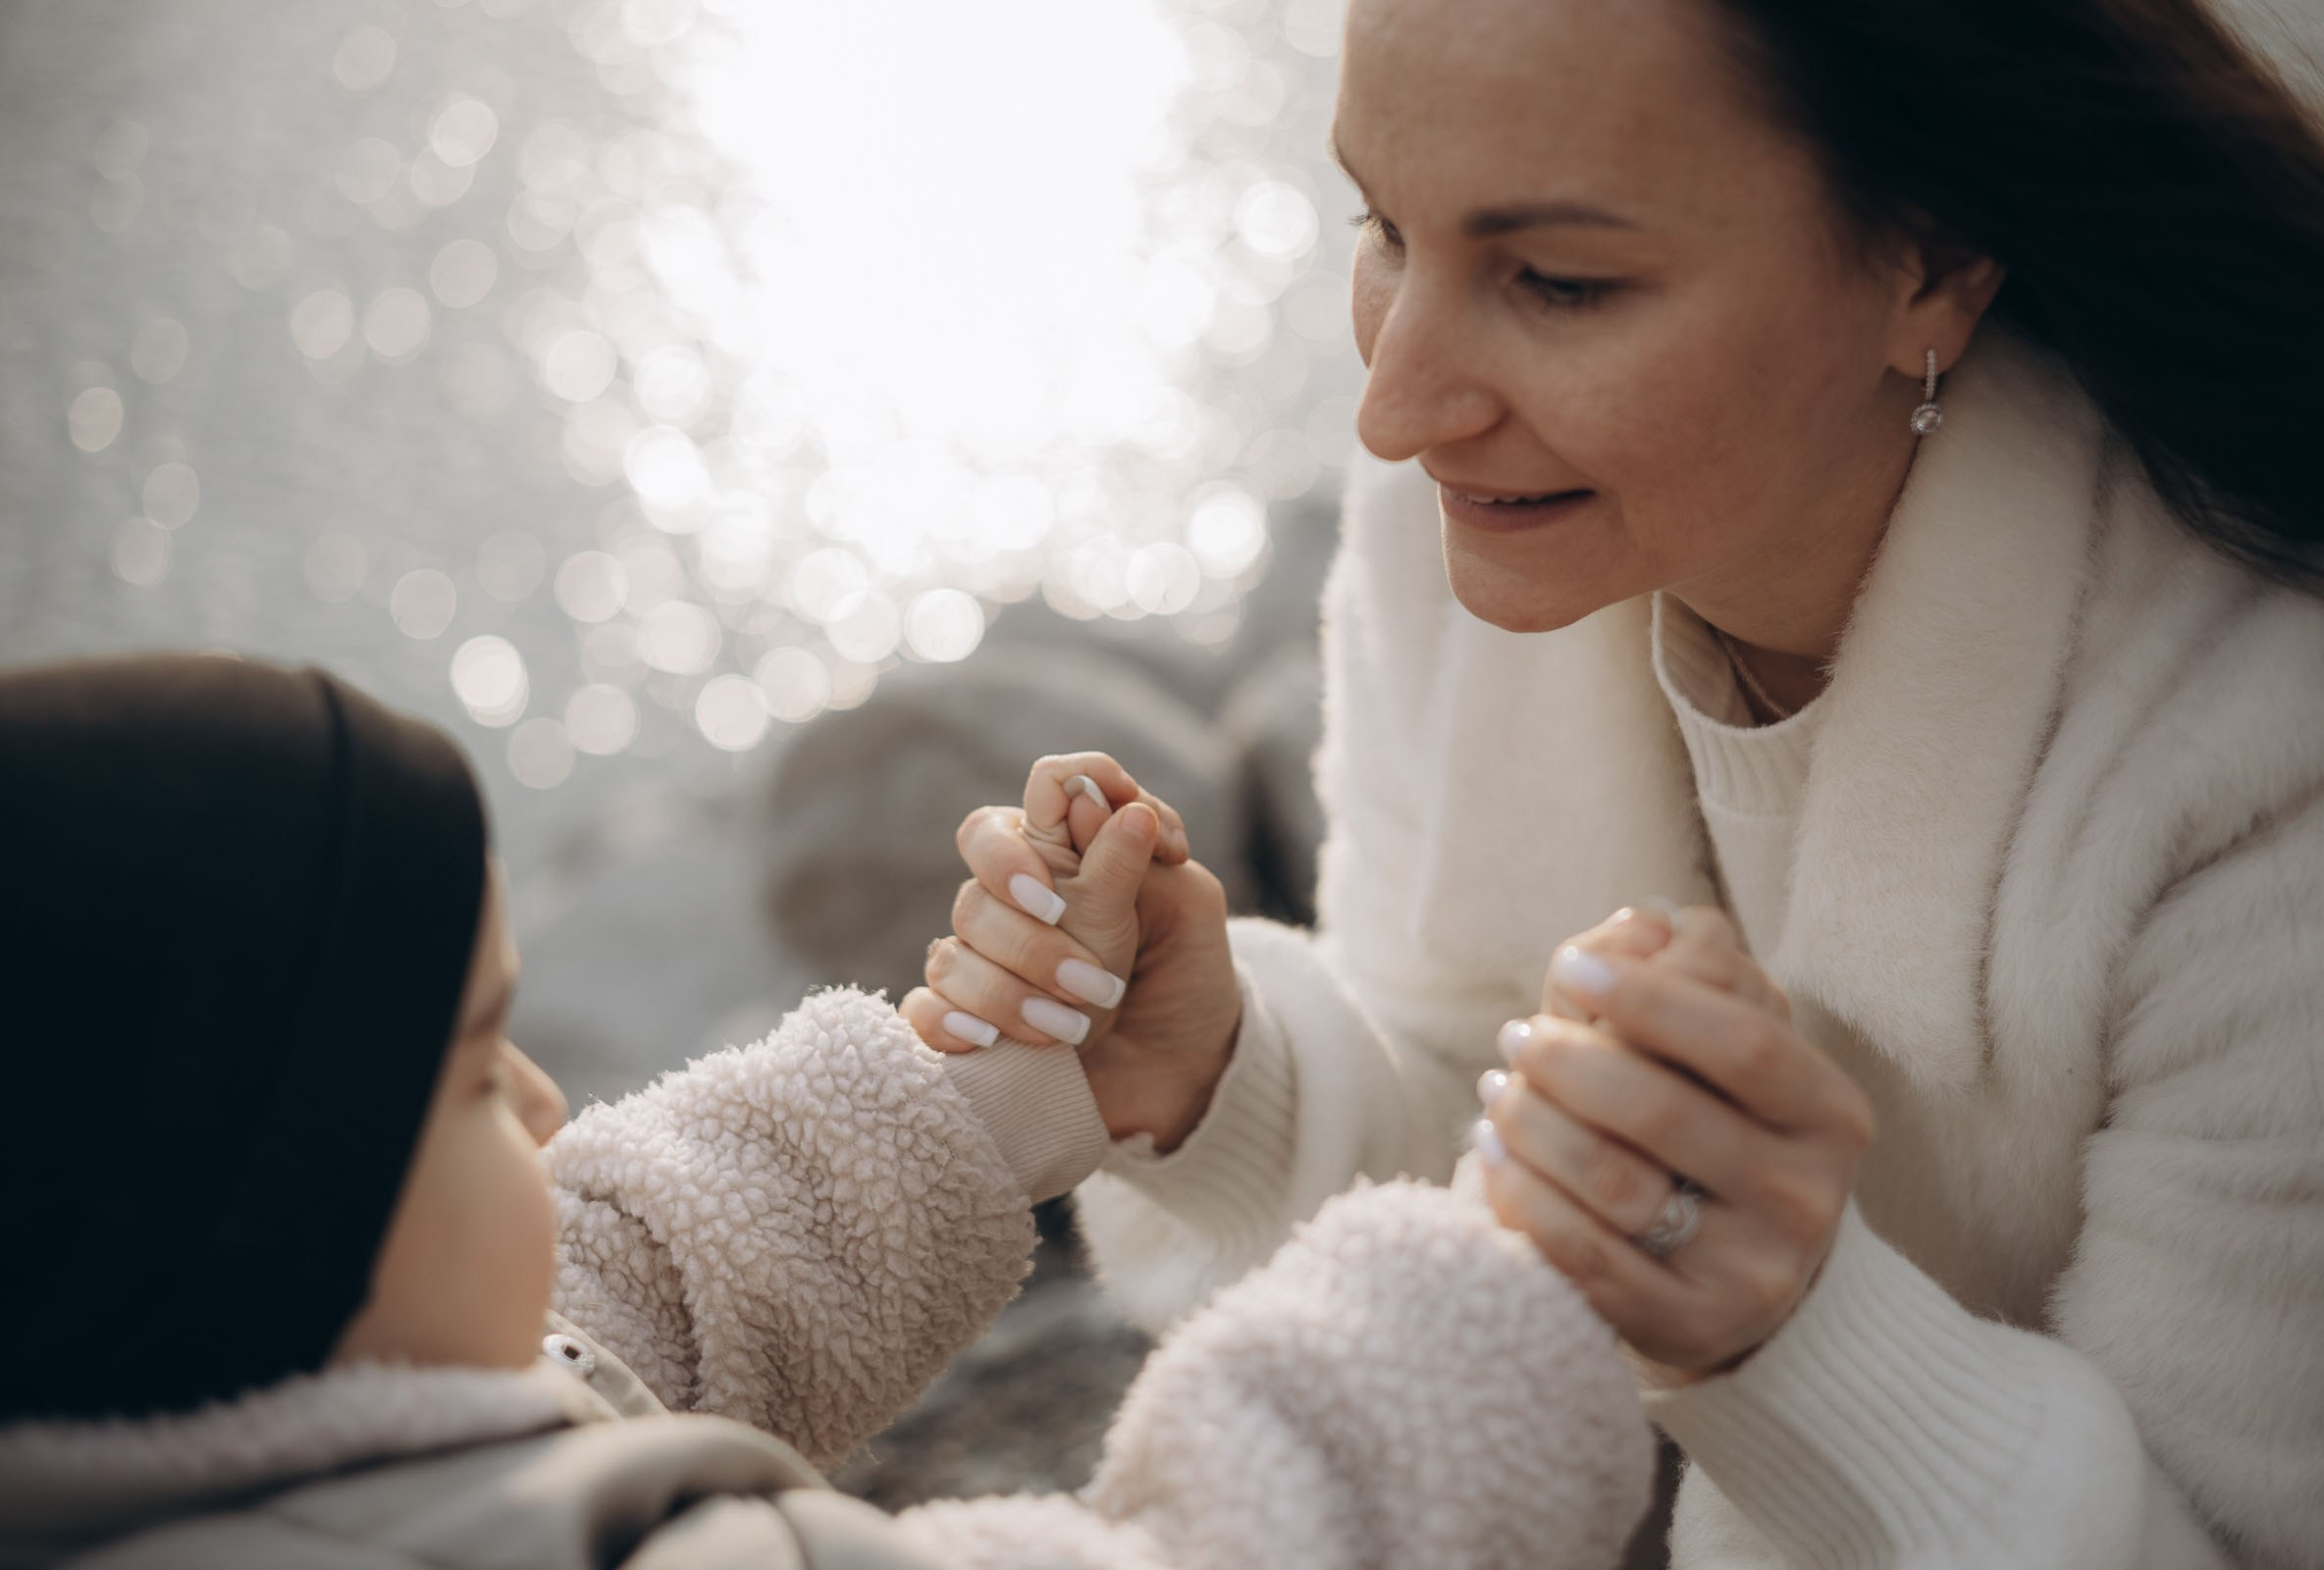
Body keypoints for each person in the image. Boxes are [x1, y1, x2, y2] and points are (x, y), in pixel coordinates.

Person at [903, 0, 2324, 1565]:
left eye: (1560, 281)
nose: (1394, 407)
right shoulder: (1478, 525)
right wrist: (1224, 1078)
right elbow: (1473, 1108)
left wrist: (1802, 1341)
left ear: (1929, 258)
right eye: (1382, 227)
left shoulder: (2268, 754)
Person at [0, 654, 1653, 1570]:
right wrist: (1504, 1286)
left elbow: (624, 1288)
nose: (551, 1103)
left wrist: (1016, 1093)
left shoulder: (121, 1416)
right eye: (482, 1065)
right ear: (269, 1214)